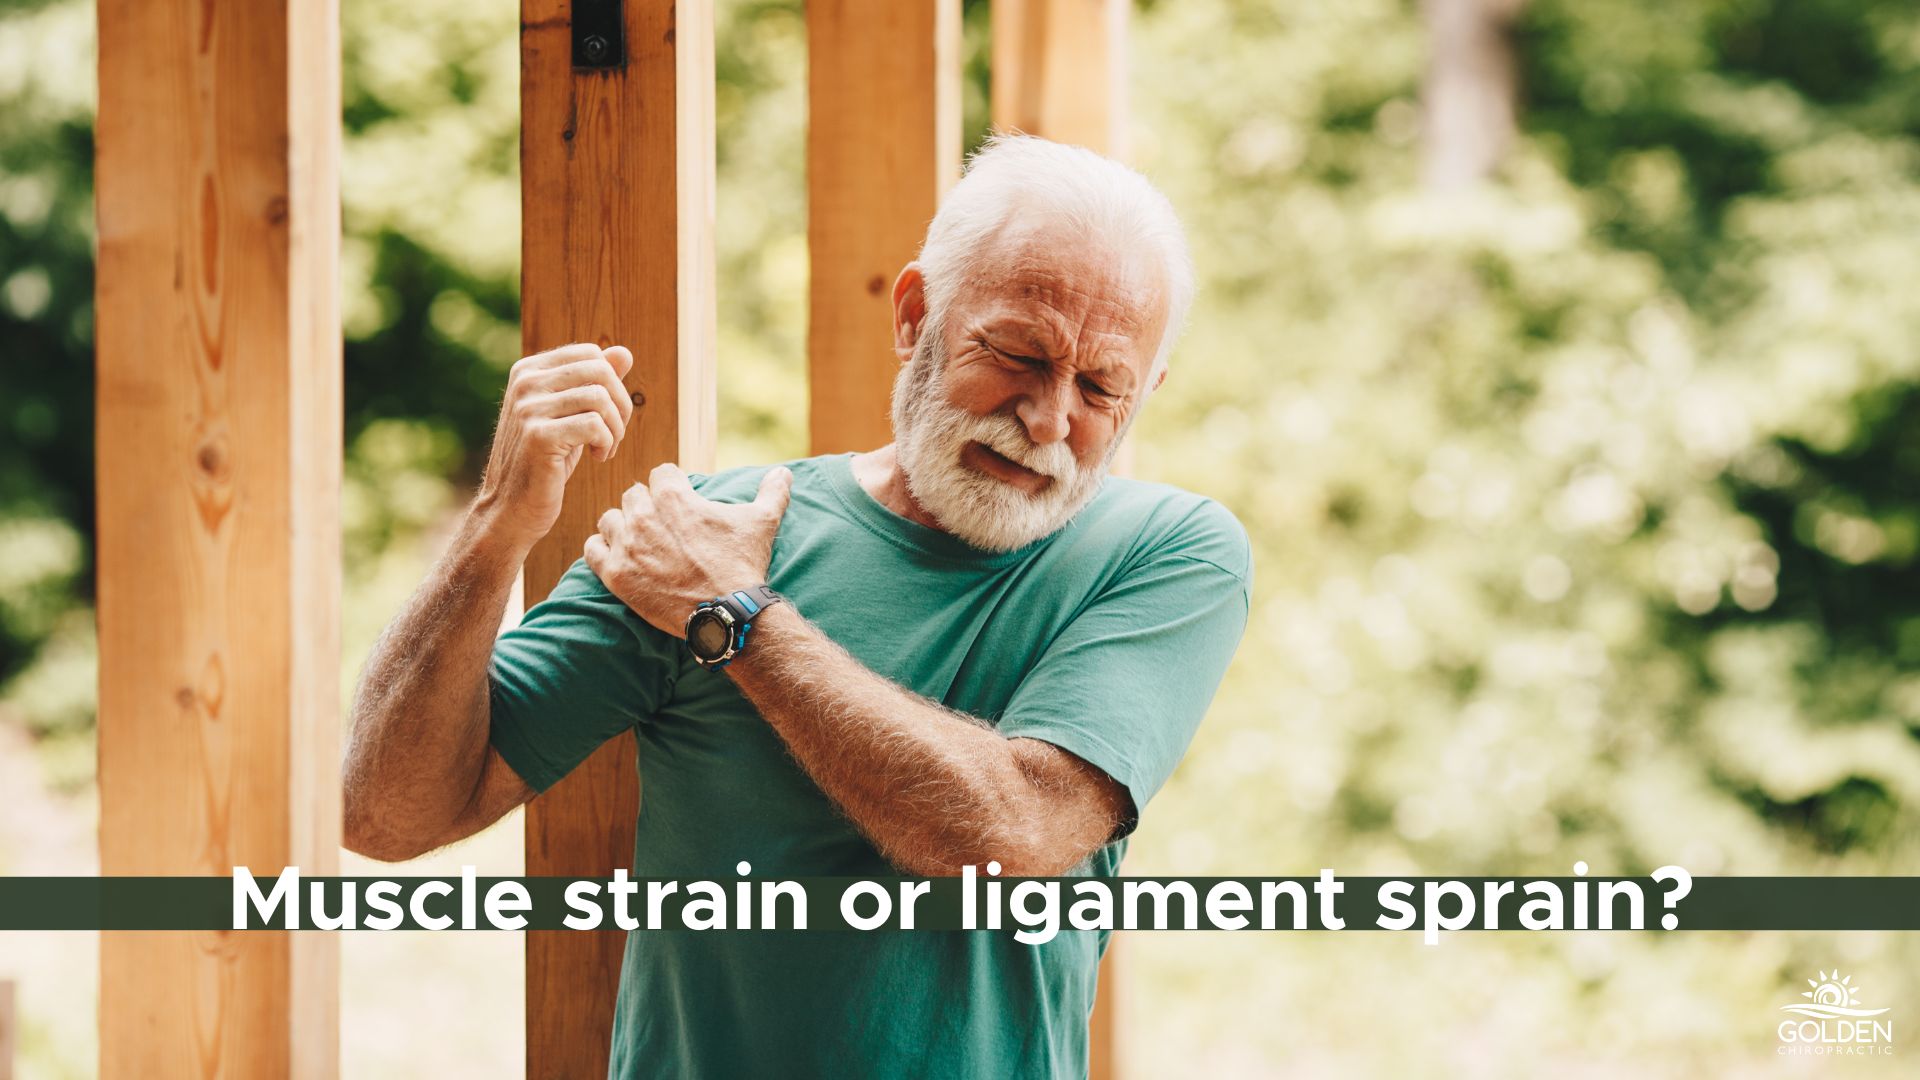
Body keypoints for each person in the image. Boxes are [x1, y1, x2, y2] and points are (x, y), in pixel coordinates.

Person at [342, 133, 1252, 1077]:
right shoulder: (701, 535)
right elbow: (385, 816)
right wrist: (500, 522)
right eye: (1016, 353)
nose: (1049, 417)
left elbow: (1011, 834)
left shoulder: (1168, 554)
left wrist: (735, 620)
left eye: (1103, 385)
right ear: (915, 316)